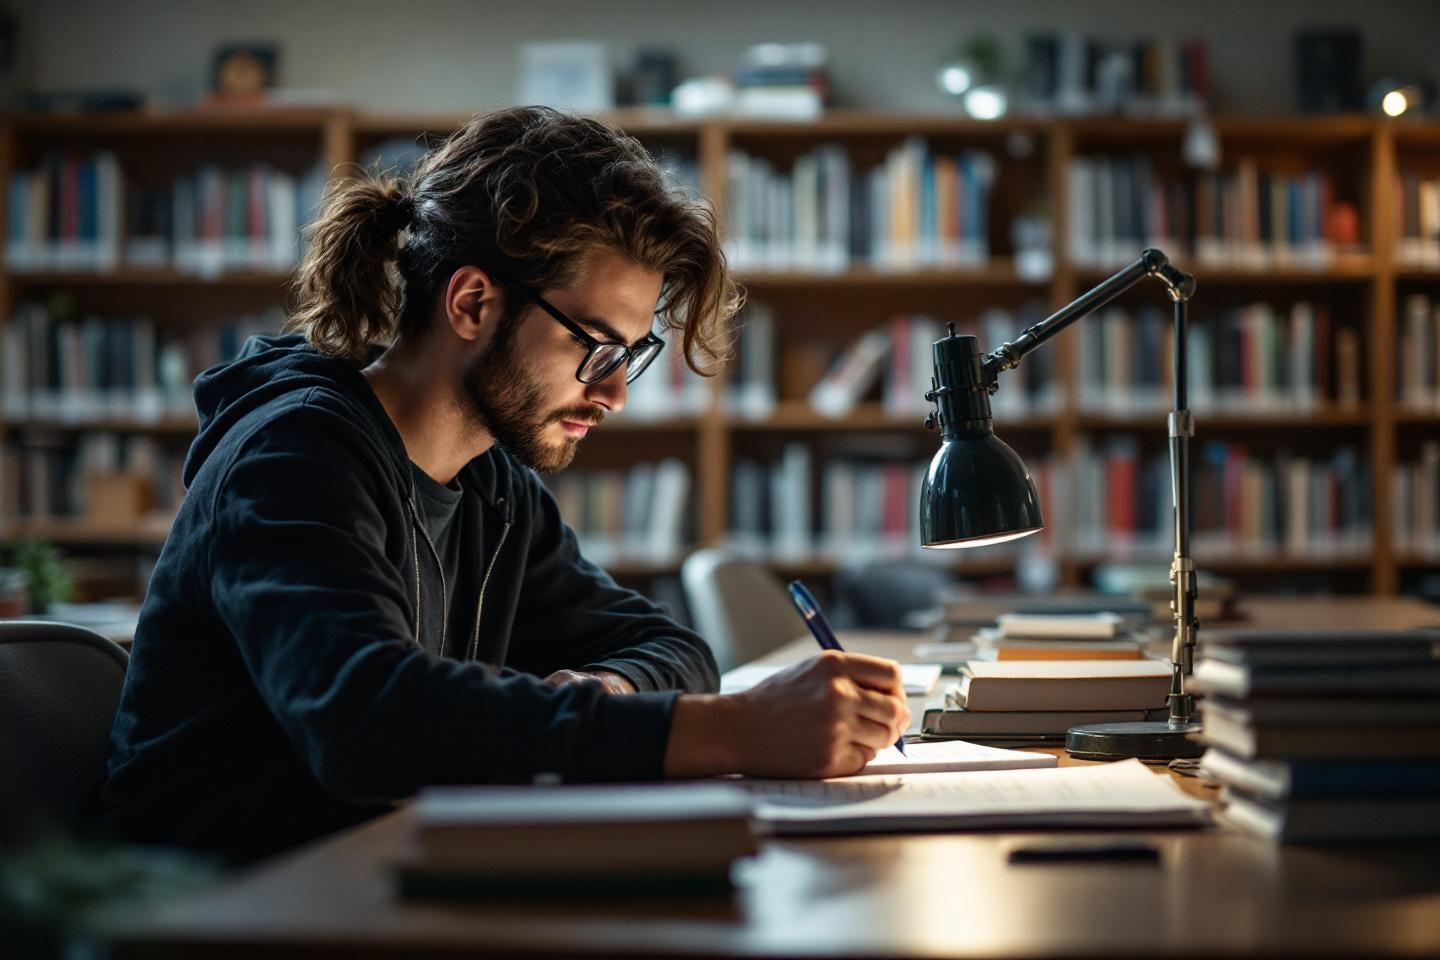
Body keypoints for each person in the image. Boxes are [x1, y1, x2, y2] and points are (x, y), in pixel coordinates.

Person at [97, 106, 910, 864]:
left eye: (630, 356)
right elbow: (366, 719)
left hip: (382, 878)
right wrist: (735, 732)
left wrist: (609, 688)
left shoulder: (490, 482)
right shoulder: (292, 456)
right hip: (217, 912)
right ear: (474, 302)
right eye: (597, 347)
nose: (616, 392)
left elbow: (670, 647)